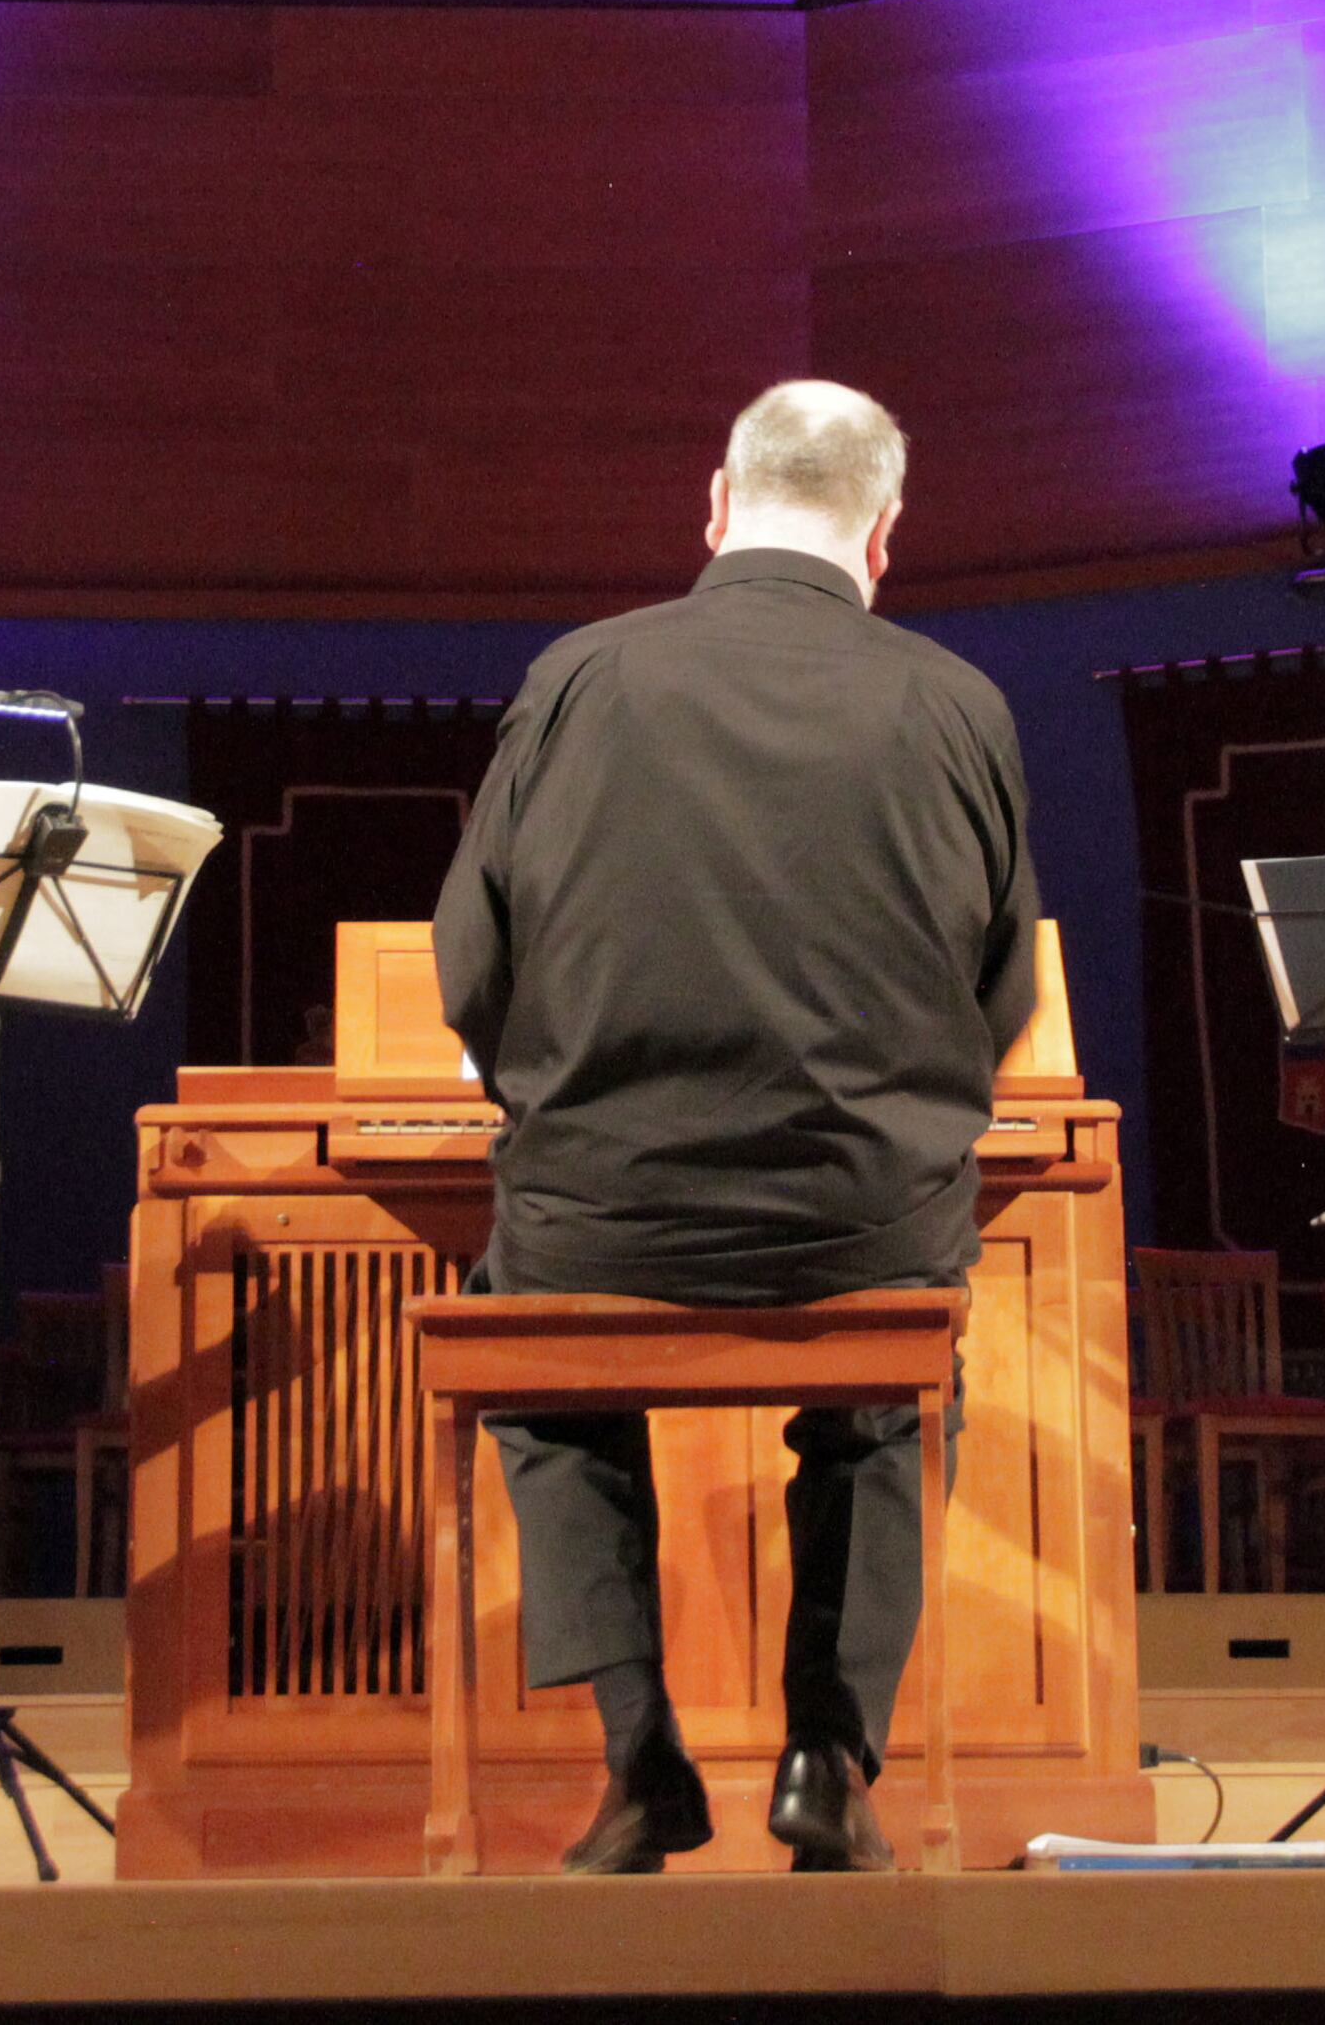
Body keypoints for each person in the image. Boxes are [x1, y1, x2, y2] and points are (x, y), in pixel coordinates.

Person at [431, 380, 1038, 1876]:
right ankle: (828, 1761)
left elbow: (469, 964)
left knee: (541, 1351)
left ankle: (642, 1759)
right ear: (884, 533)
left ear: (717, 502)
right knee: (892, 1380)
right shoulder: (957, 701)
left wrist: (553, 1087)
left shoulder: (579, 675)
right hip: (860, 1217)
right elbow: (1003, 992)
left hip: (606, 1210)